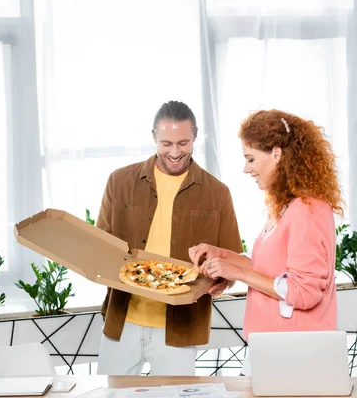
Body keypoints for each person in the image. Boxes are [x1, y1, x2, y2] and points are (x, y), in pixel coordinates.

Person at [188, 109, 343, 375]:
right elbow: (265, 267)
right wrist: (221, 255)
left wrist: (236, 272)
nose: (246, 168)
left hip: (292, 355)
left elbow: (303, 292)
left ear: (276, 154)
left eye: (250, 159)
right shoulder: (289, 207)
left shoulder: (307, 211)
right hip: (275, 349)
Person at [96, 100, 243, 376]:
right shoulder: (119, 181)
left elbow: (232, 261)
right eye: (166, 144)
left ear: (195, 137)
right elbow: (101, 246)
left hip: (179, 327)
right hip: (123, 318)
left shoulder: (218, 193)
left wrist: (222, 281)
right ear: (154, 137)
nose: (175, 152)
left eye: (183, 143)